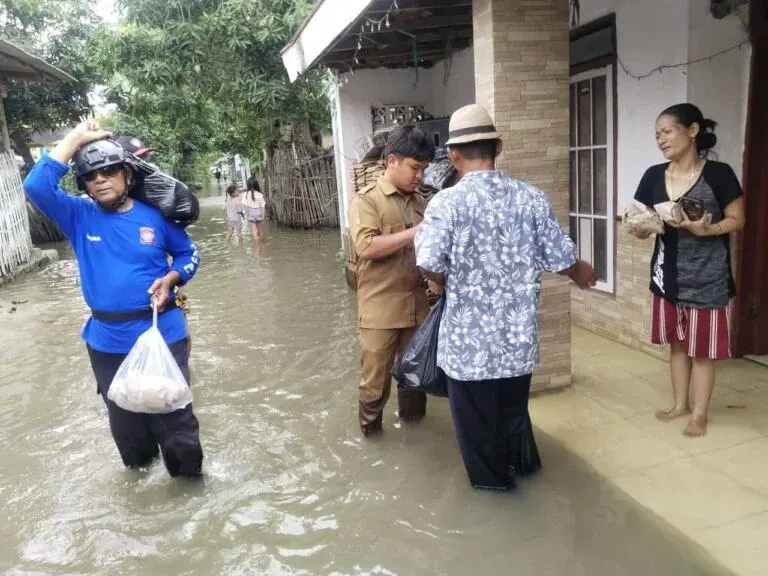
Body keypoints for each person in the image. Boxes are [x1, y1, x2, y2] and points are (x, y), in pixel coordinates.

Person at [415, 104, 596, 490]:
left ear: (453, 154)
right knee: (514, 415)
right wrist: (582, 274)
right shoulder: (531, 198)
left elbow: (428, 260)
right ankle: (527, 474)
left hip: (468, 350)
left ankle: (497, 496)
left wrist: (441, 282)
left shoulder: (446, 203)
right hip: (517, 343)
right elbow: (563, 258)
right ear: (498, 146)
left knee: (479, 435)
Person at [23, 121, 204, 477]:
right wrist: (77, 139)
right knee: (128, 431)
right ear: (85, 185)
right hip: (107, 342)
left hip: (162, 333)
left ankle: (189, 494)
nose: (100, 179)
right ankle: (142, 503)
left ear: (126, 174)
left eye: (108, 171)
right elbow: (35, 185)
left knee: (176, 425)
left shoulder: (157, 215)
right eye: (91, 175)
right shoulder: (77, 215)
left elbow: (188, 255)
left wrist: (171, 277)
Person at [631, 103, 745, 437]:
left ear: (693, 130)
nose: (661, 140)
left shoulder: (719, 174)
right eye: (657, 135)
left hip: (707, 278)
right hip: (666, 277)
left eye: (667, 132)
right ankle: (680, 404)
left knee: (702, 351)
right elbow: (643, 217)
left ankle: (699, 414)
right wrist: (640, 228)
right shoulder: (653, 175)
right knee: (678, 345)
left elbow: (738, 220)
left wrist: (707, 230)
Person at [347, 126, 436, 436]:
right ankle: (371, 440)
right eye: (415, 167)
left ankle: (415, 440)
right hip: (380, 312)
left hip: (417, 309)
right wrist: (416, 232)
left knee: (415, 379)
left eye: (424, 169)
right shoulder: (367, 200)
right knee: (375, 384)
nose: (420, 176)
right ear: (393, 161)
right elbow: (366, 247)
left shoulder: (422, 200)